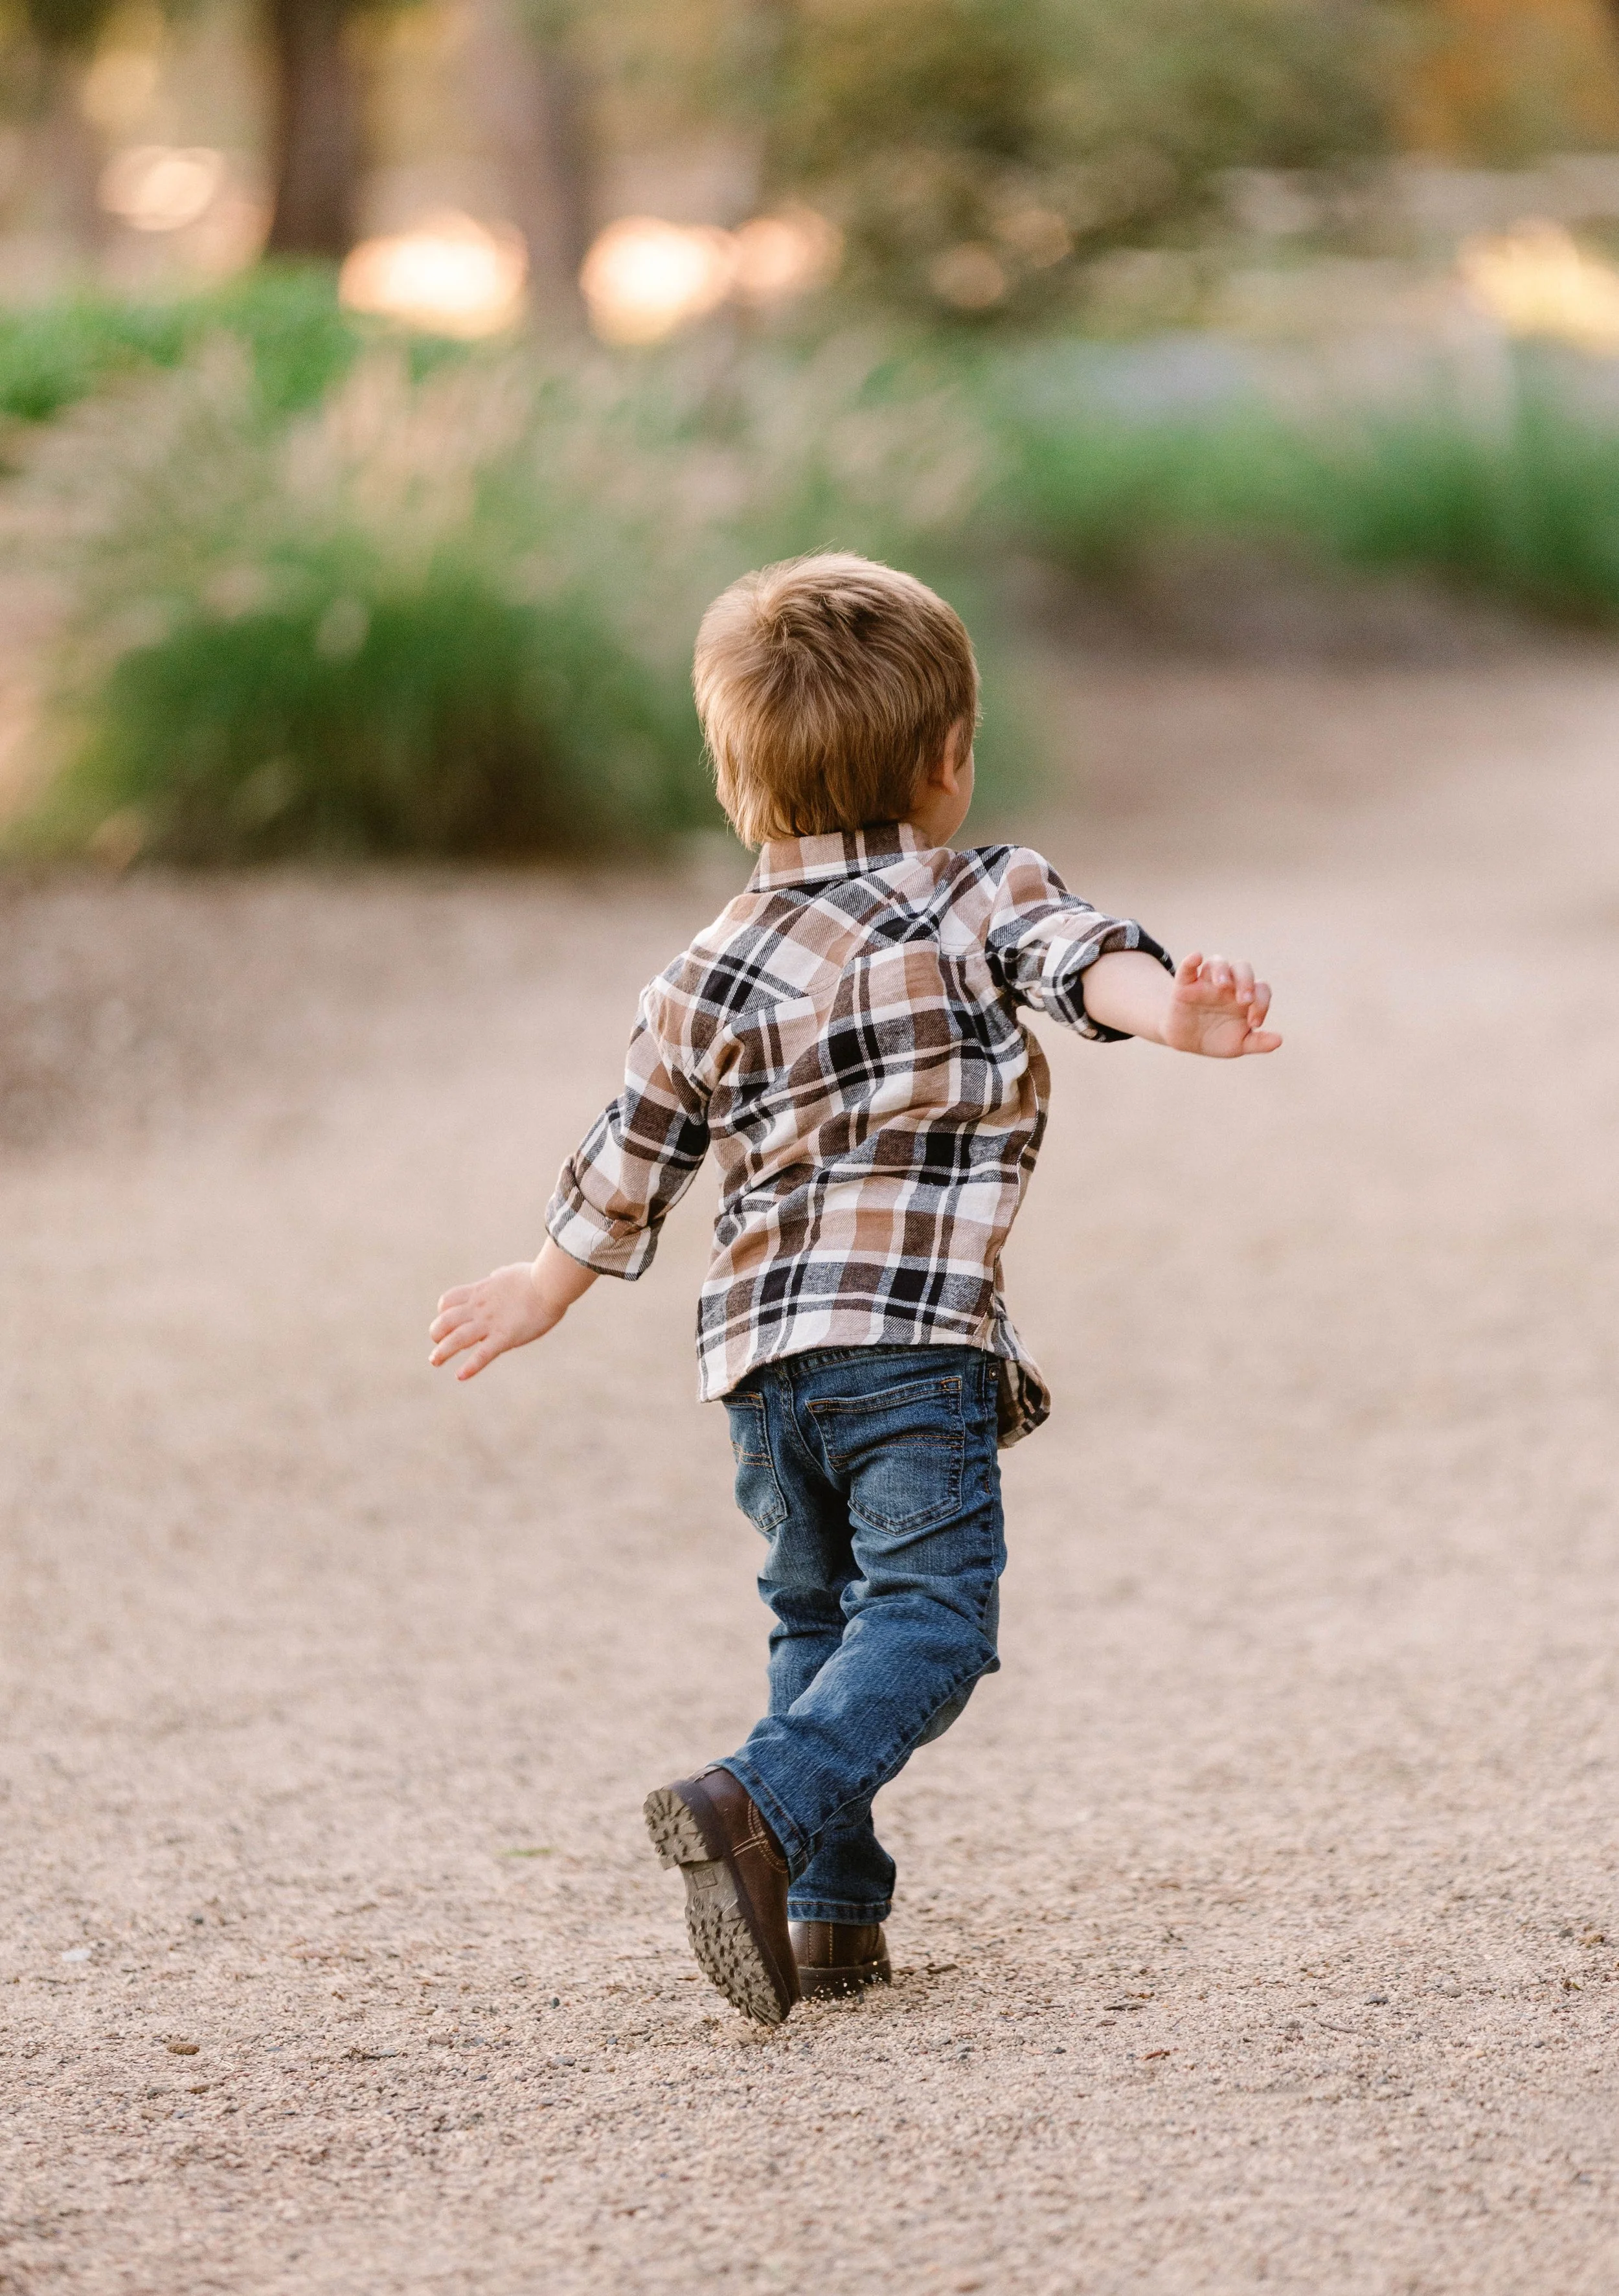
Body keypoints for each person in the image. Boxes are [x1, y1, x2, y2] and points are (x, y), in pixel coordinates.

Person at [428, 552, 1280, 2026]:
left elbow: (636, 1150)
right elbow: (1079, 963)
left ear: (734, 785)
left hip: (760, 1363)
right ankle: (755, 1802)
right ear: (948, 762)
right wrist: (1183, 1016)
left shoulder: (704, 966)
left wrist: (542, 1283)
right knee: (934, 1621)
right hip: (905, 1344)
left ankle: (828, 1914)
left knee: (815, 1617)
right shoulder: (973, 891)